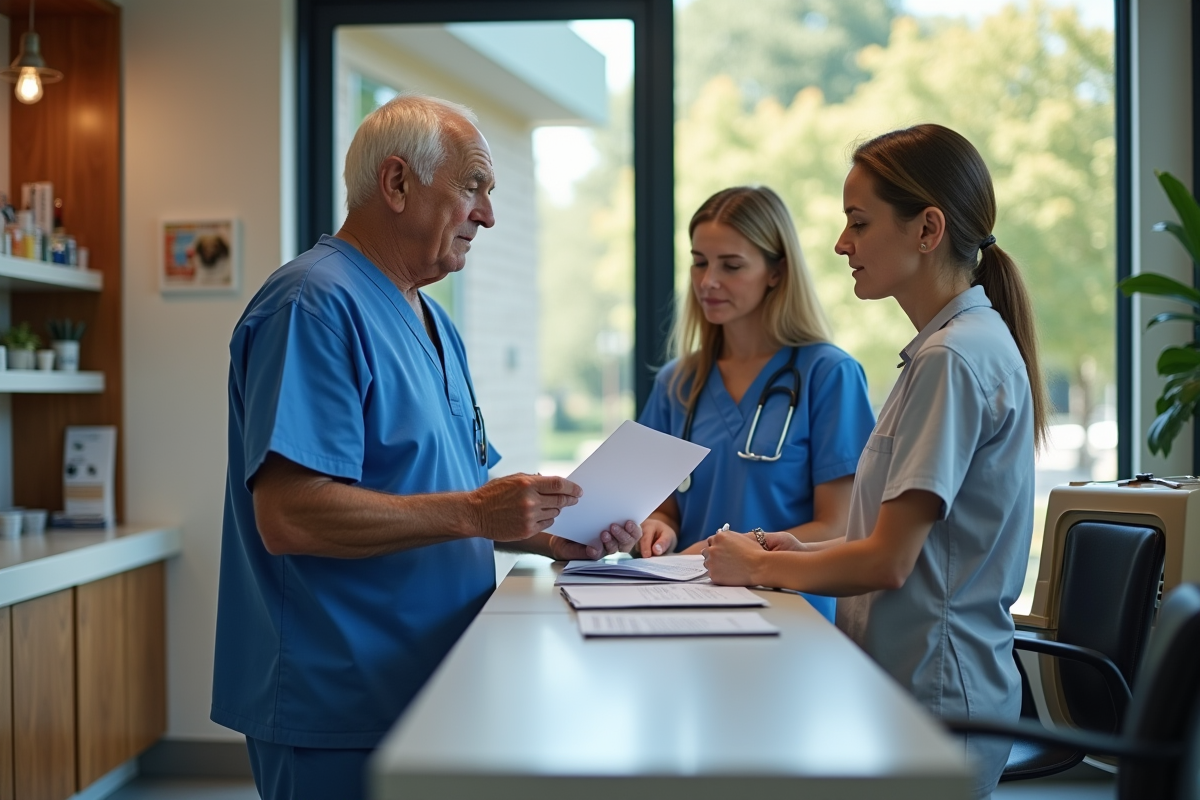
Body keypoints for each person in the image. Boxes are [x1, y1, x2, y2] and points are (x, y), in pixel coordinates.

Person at [210, 93, 641, 800]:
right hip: (340, 698)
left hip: (432, 685)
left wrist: (549, 533)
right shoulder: (312, 306)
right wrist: (478, 512)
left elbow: (441, 494)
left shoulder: (435, 320)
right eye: (473, 187)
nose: (489, 214)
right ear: (398, 183)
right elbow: (290, 516)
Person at [701, 124, 1045, 798]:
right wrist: (796, 549)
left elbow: (890, 562)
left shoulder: (953, 358)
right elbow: (904, 543)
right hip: (912, 687)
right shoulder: (943, 350)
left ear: (927, 229)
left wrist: (765, 567)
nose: (839, 244)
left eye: (858, 222)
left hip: (938, 700)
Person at [637, 185, 875, 623]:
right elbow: (662, 503)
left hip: (792, 611)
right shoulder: (678, 383)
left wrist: (732, 551)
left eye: (731, 266)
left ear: (776, 272)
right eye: (699, 262)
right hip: (689, 609)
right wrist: (660, 527)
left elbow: (841, 525)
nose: (708, 281)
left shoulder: (829, 375)